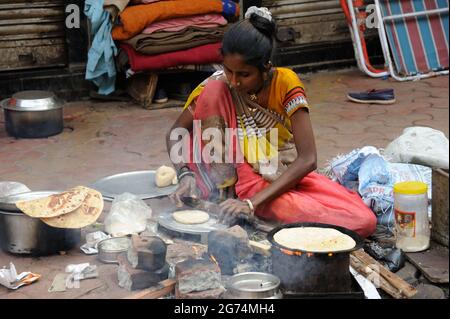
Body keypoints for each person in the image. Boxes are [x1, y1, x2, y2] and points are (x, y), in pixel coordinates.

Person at [166, 6, 376, 238]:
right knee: (214, 90)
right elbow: (176, 132)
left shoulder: (285, 83)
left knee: (363, 220)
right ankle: (227, 197)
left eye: (244, 75)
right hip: (234, 180)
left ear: (266, 68)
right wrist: (185, 175)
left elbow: (308, 159)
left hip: (273, 177)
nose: (234, 81)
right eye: (228, 70)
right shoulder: (219, 85)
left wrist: (251, 204)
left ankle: (252, 212)